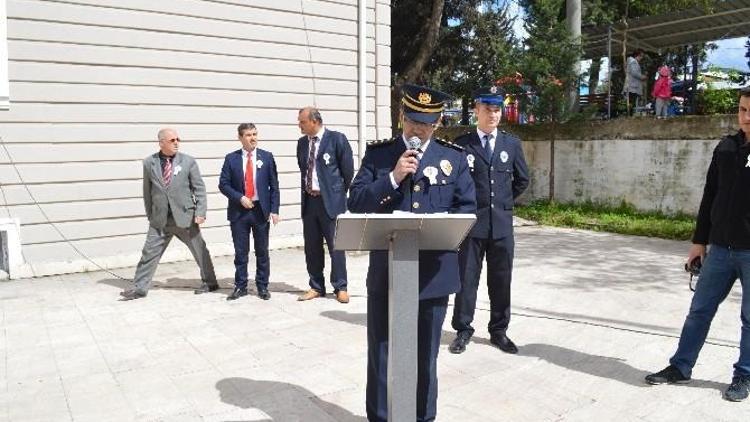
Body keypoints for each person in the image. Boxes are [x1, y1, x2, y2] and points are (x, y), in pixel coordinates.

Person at [348, 83, 476, 422]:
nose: (417, 129)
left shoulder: (453, 158)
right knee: (381, 351)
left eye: (426, 122)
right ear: (401, 116)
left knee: (425, 357)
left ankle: (423, 418)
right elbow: (355, 201)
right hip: (387, 273)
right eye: (412, 120)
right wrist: (391, 177)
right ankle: (379, 417)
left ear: (437, 124)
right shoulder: (379, 156)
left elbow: (467, 209)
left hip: (433, 276)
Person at [644, 87, 750, 402]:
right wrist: (699, 241)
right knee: (699, 311)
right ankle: (680, 366)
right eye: (743, 109)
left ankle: (743, 375)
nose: (746, 117)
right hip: (719, 249)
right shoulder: (726, 148)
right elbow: (709, 197)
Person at [449, 85, 530, 355]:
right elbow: (455, 184)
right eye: (488, 109)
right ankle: (463, 329)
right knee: (466, 279)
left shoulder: (511, 144)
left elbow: (522, 180)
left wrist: (503, 204)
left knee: (501, 279)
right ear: (476, 110)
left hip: (502, 226)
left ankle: (499, 331)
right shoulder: (462, 145)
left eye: (497, 109)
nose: (493, 114)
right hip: (472, 226)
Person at [121, 128, 217, 300]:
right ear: (161, 142)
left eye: (177, 139)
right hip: (160, 219)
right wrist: (151, 215)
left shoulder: (188, 162)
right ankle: (139, 288)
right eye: (172, 140)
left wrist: (201, 211)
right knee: (149, 253)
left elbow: (199, 189)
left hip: (185, 217)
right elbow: (147, 192)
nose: (176, 143)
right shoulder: (149, 163)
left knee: (200, 250)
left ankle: (210, 282)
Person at [296, 106, 354, 303]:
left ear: (315, 121)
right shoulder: (302, 144)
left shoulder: (337, 139)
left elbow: (348, 172)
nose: (299, 125)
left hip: (331, 203)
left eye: (302, 122)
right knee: (311, 247)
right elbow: (304, 170)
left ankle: (341, 287)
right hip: (309, 202)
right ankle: (316, 286)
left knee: (336, 246)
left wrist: (337, 194)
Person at [218, 123, 280, 301]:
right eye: (248, 135)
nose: (253, 138)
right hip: (239, 212)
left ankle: (262, 286)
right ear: (240, 137)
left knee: (262, 251)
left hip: (260, 211)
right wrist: (239, 197)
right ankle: (241, 286)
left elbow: (274, 186)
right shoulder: (231, 159)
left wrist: (274, 209)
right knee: (241, 252)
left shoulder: (266, 157)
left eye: (255, 134)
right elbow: (223, 184)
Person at [623, 48, 647, 116]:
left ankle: (629, 115)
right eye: (641, 56)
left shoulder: (632, 61)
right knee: (631, 102)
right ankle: (629, 115)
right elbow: (634, 73)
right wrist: (642, 77)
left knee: (631, 102)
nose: (642, 58)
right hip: (632, 87)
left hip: (631, 86)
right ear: (637, 55)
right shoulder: (633, 62)